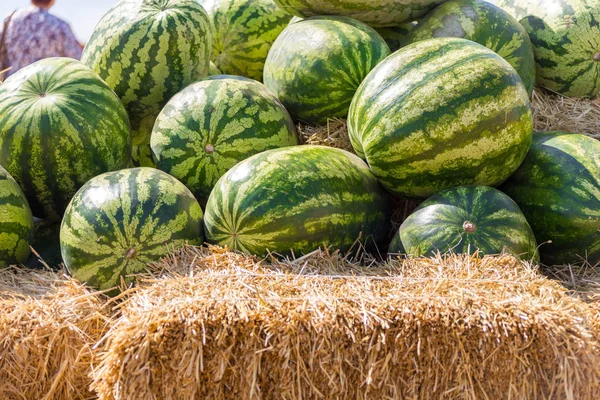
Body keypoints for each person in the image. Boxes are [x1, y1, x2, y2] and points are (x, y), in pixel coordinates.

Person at [0, 0, 82, 79]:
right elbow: (78, 60)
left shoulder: (9, 20)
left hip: (12, 88)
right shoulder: (60, 25)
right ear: (52, 1)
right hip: (49, 90)